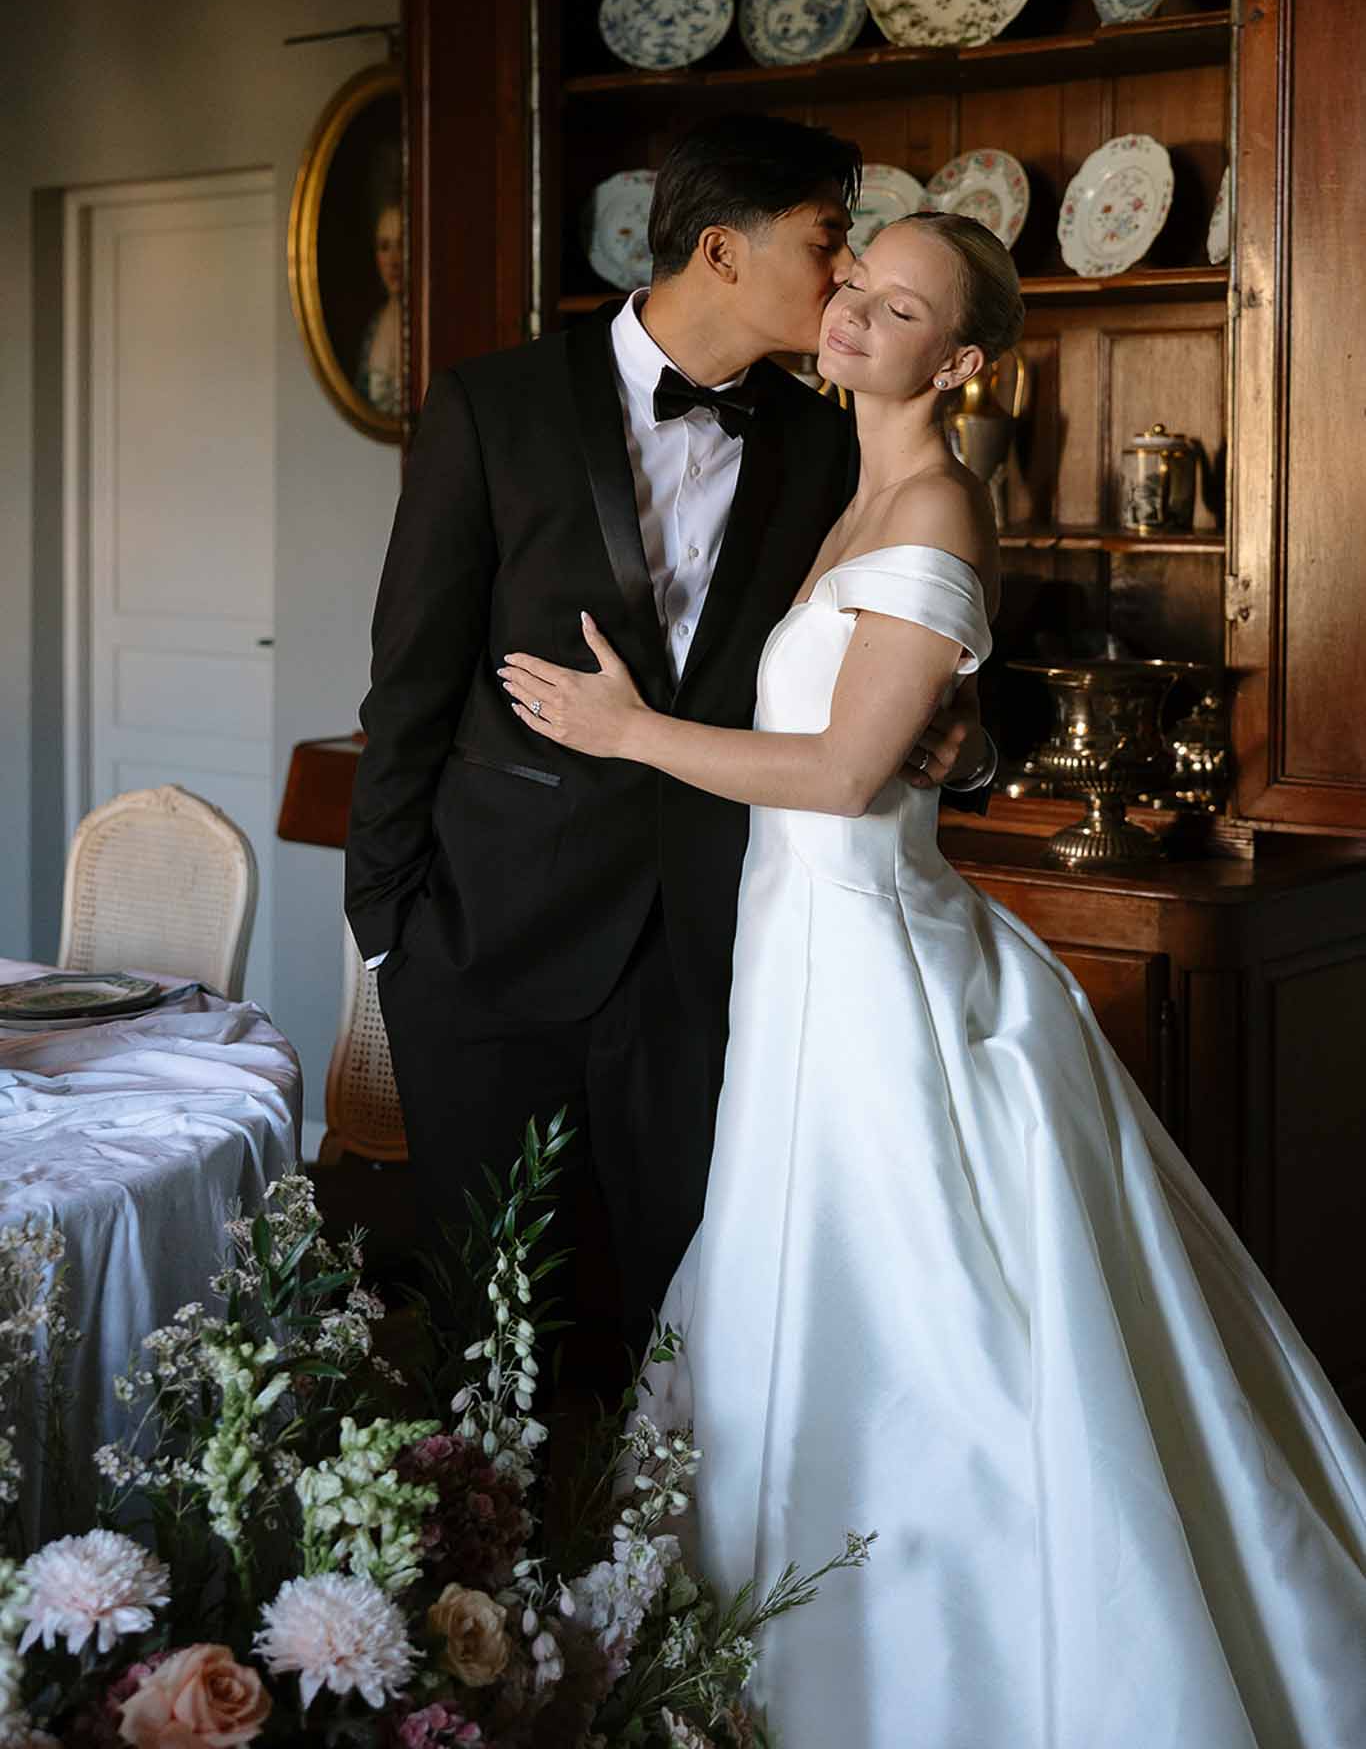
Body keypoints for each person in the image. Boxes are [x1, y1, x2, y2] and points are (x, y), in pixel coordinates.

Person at [497, 211, 1366, 1748]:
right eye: (851, 284)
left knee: (916, 1324)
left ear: (955, 359)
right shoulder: (855, 490)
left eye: (893, 308)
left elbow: (837, 774)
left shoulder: (934, 514)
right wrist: (945, 745)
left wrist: (628, 733)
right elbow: (899, 736)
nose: (845, 316)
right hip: (797, 960)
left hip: (870, 973)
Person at [343, 117, 996, 1352]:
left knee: (681, 1329)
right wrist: (389, 932)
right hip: (490, 948)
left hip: (714, 956)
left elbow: (900, 654)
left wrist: (972, 743)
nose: (845, 271)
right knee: (486, 1331)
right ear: (721, 249)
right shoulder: (494, 406)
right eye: (826, 239)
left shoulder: (825, 443)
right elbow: (408, 684)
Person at [354, 200, 402, 417]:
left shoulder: (431, 326)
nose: (393, 260)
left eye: (401, 245)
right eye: (384, 246)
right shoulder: (373, 327)